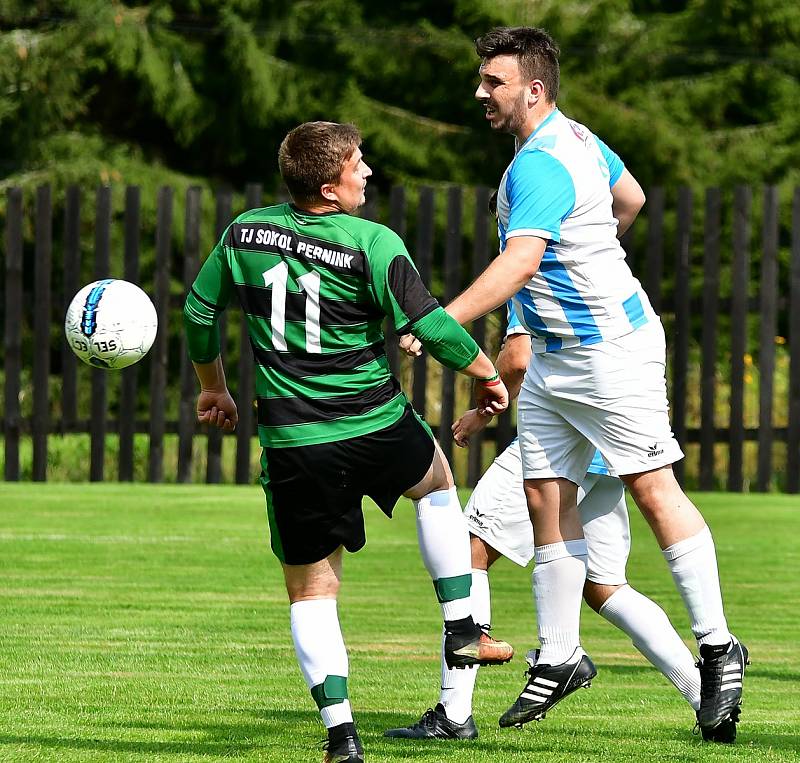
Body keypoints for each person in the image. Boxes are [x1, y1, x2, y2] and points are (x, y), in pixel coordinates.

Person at [440, 26, 747, 742]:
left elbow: (517, 267)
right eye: (482, 79)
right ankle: (560, 652)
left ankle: (718, 645)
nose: (481, 92)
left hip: (609, 351)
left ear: (533, 89)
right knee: (546, 495)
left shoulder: (540, 166)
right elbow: (630, 198)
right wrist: (590, 252)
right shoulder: (575, 136)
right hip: (556, 358)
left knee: (651, 487)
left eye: (494, 81)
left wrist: (438, 318)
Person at [182, 121, 514, 763]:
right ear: (330, 189)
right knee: (438, 486)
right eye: (358, 164)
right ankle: (461, 627)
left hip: (295, 441)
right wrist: (487, 375)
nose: (368, 172)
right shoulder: (373, 242)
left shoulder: (241, 233)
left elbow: (199, 313)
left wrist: (213, 388)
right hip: (375, 422)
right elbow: (433, 326)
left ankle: (342, 737)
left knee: (312, 591)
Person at [386, 321, 722, 742]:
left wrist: (481, 409)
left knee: (468, 546)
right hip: (608, 444)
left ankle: (454, 713)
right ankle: (707, 698)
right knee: (604, 587)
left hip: (562, 447)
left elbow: (519, 356)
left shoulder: (532, 261)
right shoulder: (598, 274)